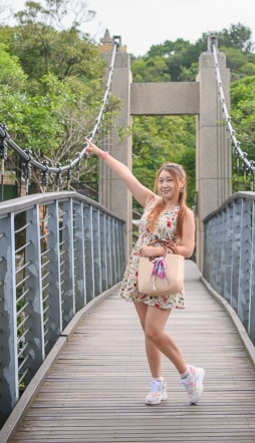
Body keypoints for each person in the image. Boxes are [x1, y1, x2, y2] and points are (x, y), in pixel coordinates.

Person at [85, 138, 205, 406]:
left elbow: (187, 249)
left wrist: (160, 251)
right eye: (161, 180)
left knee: (154, 330)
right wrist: (101, 153)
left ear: (181, 183)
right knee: (147, 331)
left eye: (170, 180)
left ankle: (189, 374)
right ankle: (157, 384)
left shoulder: (185, 214)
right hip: (139, 272)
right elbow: (126, 175)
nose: (164, 185)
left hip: (163, 274)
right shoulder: (151, 202)